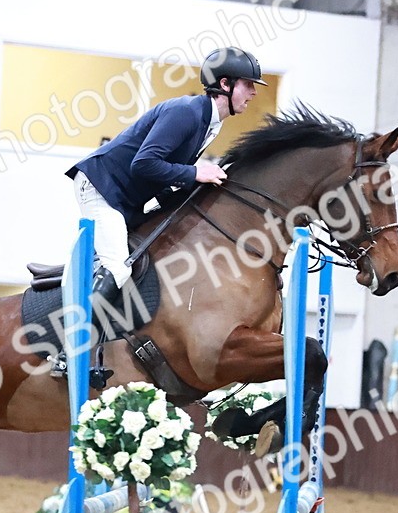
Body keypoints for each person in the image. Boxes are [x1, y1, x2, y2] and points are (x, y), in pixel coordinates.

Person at [52, 47, 267, 378]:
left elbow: (164, 172)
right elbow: (144, 163)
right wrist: (196, 173)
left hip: (126, 196)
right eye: (248, 85)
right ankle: (67, 353)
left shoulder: (209, 122)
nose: (253, 93)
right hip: (100, 187)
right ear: (225, 84)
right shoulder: (186, 112)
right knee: (118, 267)